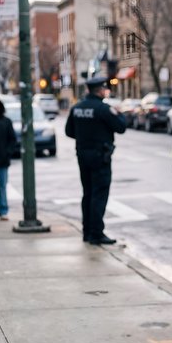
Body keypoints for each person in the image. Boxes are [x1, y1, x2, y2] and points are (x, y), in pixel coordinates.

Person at [65, 76, 126, 245]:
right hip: (101, 157)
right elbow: (121, 127)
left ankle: (87, 231)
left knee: (88, 193)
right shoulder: (103, 109)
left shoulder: (76, 108)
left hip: (83, 156)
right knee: (99, 195)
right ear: (99, 90)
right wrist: (119, 113)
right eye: (104, 89)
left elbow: (69, 131)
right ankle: (96, 233)